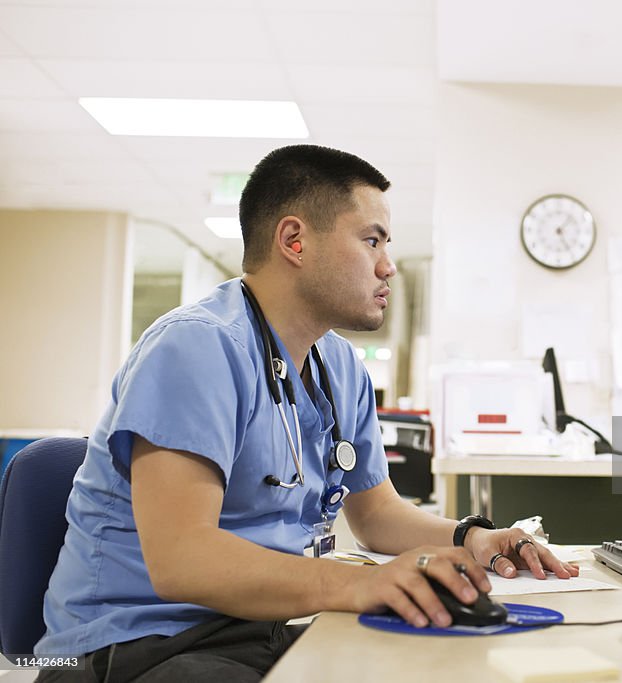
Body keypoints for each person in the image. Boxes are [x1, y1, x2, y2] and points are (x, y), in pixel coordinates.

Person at [35, 144, 578, 682]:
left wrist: (471, 538)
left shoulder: (339, 366)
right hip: (134, 648)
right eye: (371, 241)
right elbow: (182, 559)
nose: (388, 266)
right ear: (294, 240)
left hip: (255, 632)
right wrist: (355, 585)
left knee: (447, 665)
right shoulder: (196, 349)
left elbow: (376, 515)